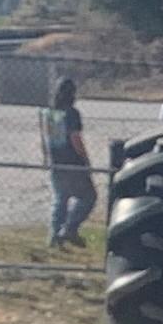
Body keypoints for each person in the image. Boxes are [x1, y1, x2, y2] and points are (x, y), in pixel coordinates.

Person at [42, 74, 96, 250]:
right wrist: (86, 159)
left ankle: (54, 237)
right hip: (73, 161)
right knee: (89, 197)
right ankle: (69, 228)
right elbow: (75, 138)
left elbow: (47, 138)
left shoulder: (50, 112)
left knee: (60, 199)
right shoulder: (71, 113)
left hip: (56, 160)